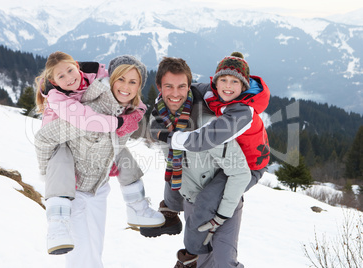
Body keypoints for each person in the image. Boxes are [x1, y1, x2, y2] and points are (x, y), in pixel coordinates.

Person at [34, 53, 164, 266]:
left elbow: (116, 141)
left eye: (133, 82)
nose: (126, 86)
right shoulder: (88, 111)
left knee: (94, 251)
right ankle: (57, 222)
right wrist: (50, 174)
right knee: (81, 254)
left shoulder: (127, 110)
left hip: (98, 188)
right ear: (110, 81)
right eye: (120, 79)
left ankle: (137, 206)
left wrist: (109, 158)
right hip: (72, 190)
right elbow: (43, 138)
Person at [142, 57, 251, 267]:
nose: (175, 93)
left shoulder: (208, 126)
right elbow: (173, 165)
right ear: (159, 88)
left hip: (225, 202)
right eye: (169, 86)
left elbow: (240, 173)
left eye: (182, 86)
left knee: (224, 262)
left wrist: (221, 216)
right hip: (192, 201)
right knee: (201, 262)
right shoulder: (160, 119)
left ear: (189, 86)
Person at [157, 51, 270, 191]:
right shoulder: (214, 91)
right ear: (216, 82)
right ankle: (170, 206)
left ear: (243, 86)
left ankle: (221, 214)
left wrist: (172, 139)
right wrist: (163, 100)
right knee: (186, 173)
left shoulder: (243, 112)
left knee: (215, 198)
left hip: (250, 165)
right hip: (227, 158)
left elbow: (208, 137)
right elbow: (191, 89)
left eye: (234, 81)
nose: (228, 86)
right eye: (223, 80)